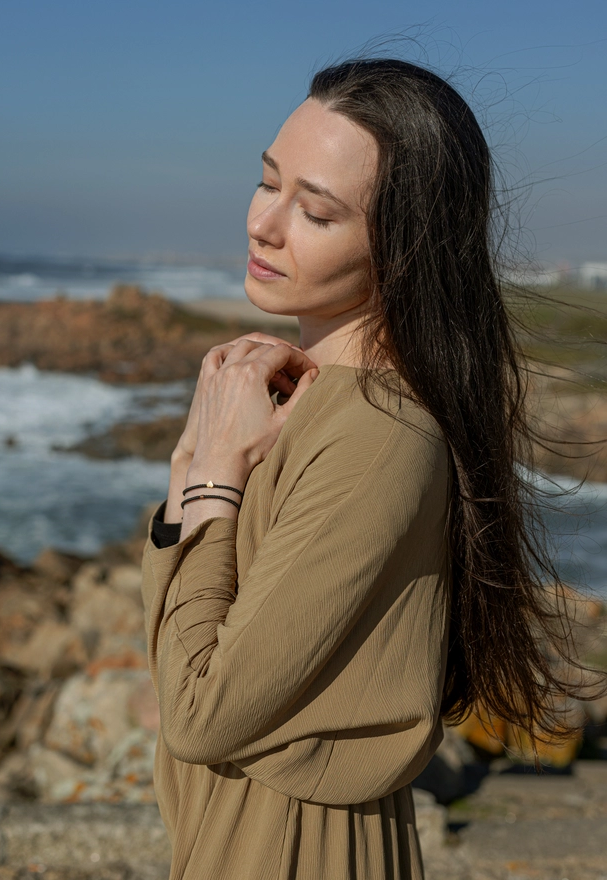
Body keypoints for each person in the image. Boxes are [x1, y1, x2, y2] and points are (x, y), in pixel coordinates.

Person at [141, 57, 605, 880]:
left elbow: (200, 714)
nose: (264, 224)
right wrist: (198, 465)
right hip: (233, 833)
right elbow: (181, 650)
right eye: (267, 181)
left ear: (404, 244)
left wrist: (210, 480)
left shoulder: (379, 436)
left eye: (314, 211)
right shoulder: (302, 404)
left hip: (292, 851)